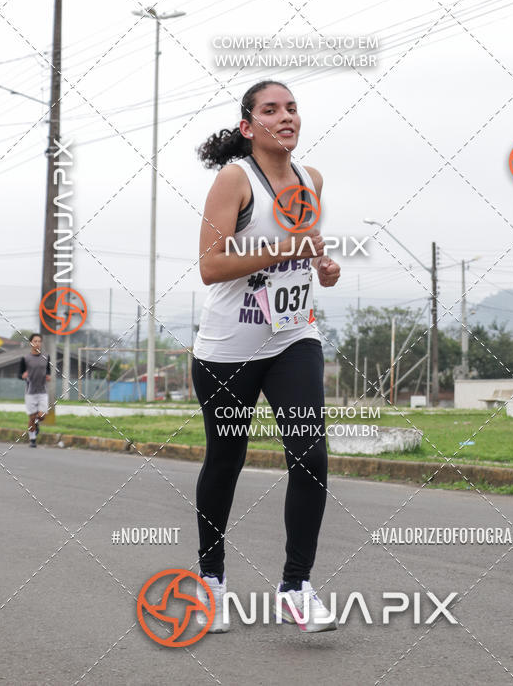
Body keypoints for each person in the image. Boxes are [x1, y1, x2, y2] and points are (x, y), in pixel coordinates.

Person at [192, 79, 341, 634]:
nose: (287, 117)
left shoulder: (311, 179)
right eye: (271, 110)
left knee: (311, 456)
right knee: (225, 461)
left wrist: (324, 269)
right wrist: (285, 248)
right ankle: (211, 582)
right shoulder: (235, 180)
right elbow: (210, 265)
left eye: (293, 108)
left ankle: (296, 586)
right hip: (229, 348)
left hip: (292, 337)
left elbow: (309, 256)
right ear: (248, 126)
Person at [19, 333, 50, 448]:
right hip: (30, 392)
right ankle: (32, 439)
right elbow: (19, 374)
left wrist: (48, 376)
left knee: (42, 416)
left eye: (39, 341)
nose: (37, 343)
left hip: (42, 391)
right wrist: (23, 375)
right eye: (35, 341)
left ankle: (36, 425)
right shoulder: (25, 359)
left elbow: (48, 372)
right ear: (31, 343)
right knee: (32, 417)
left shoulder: (46, 357)